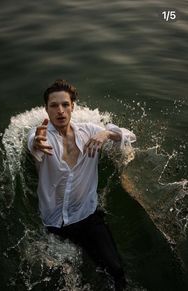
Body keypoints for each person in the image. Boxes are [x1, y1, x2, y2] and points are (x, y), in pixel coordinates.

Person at [27, 79, 136, 290]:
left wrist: (105, 134)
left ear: (73, 106)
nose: (60, 110)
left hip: (87, 216)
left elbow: (130, 136)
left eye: (65, 104)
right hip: (53, 224)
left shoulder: (88, 131)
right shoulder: (41, 136)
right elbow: (33, 142)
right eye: (54, 105)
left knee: (117, 274)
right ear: (46, 110)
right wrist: (35, 141)